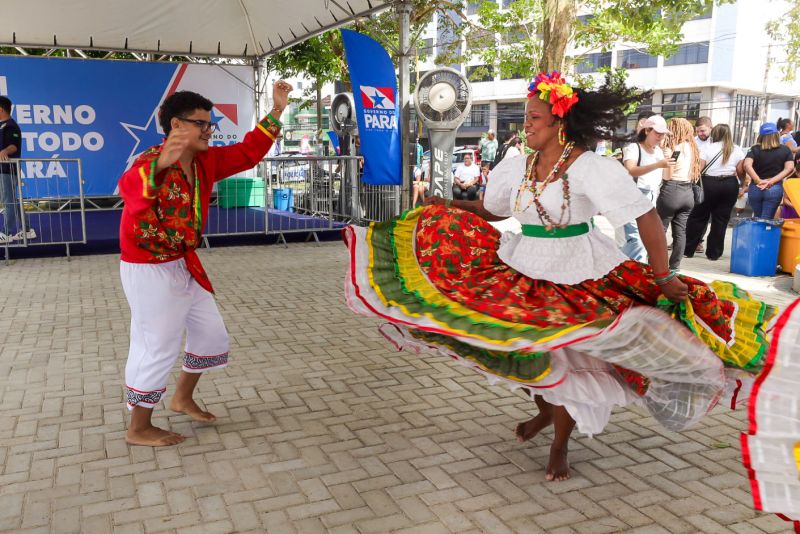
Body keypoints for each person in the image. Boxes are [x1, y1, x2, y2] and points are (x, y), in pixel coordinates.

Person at [343, 71, 773, 482]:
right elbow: (496, 211)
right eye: (525, 117)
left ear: (559, 121)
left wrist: (662, 277)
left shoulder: (591, 168)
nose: (525, 124)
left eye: (533, 118)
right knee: (524, 342)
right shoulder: (517, 165)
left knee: (566, 354)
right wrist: (450, 206)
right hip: (524, 263)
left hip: (578, 269)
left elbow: (644, 217)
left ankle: (560, 444)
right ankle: (545, 410)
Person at [118, 81, 292, 446]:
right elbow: (130, 189)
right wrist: (163, 162)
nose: (209, 130)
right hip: (149, 268)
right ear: (176, 125)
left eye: (209, 124)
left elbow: (248, 153)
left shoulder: (205, 160)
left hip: (184, 263)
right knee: (157, 344)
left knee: (211, 334)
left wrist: (276, 110)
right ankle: (139, 427)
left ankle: (181, 397)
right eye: (201, 124)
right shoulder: (150, 161)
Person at [684, 124, 747, 260]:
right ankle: (714, 253)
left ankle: (688, 249)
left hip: (709, 184)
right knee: (721, 219)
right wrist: (743, 185)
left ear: (715, 134)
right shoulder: (736, 149)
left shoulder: (707, 148)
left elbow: (699, 169)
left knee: (698, 216)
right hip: (730, 184)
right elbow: (741, 171)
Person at [620, 115, 674, 262]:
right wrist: (658, 164)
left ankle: (621, 265)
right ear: (647, 131)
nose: (660, 137)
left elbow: (667, 177)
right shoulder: (633, 148)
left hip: (651, 196)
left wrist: (668, 162)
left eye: (663, 134)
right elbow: (631, 170)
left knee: (644, 239)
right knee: (636, 239)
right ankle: (630, 269)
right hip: (634, 195)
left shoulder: (659, 152)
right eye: (657, 133)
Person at [659, 118, 700, 270]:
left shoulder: (674, 149)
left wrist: (666, 157)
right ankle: (675, 266)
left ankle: (656, 263)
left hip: (672, 190)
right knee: (680, 231)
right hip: (688, 192)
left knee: (660, 229)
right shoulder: (693, 148)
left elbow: (667, 175)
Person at [0, 96, 36, 244]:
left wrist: (5, 151)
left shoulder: (11, 126)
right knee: (12, 200)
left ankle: (6, 232)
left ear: (1, 109)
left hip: (8, 169)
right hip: (2, 169)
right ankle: (27, 230)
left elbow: (14, 145)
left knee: (9, 201)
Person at [743, 122, 795, 219]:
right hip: (774, 187)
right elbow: (790, 168)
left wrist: (758, 180)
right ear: (776, 134)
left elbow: (747, 165)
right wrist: (771, 181)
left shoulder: (754, 149)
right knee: (767, 219)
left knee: (758, 218)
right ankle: (764, 234)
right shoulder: (785, 150)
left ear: (761, 136)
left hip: (756, 187)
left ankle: (758, 234)